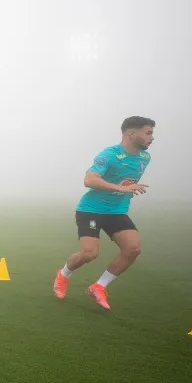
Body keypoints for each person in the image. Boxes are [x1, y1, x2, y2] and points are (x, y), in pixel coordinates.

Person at [53, 116, 154, 310]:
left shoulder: (144, 158)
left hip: (117, 211)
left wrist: (124, 189)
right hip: (90, 210)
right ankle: (63, 275)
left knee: (133, 249)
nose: (152, 138)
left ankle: (99, 286)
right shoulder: (109, 155)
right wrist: (120, 188)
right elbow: (89, 180)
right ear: (131, 133)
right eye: (148, 133)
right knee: (89, 253)